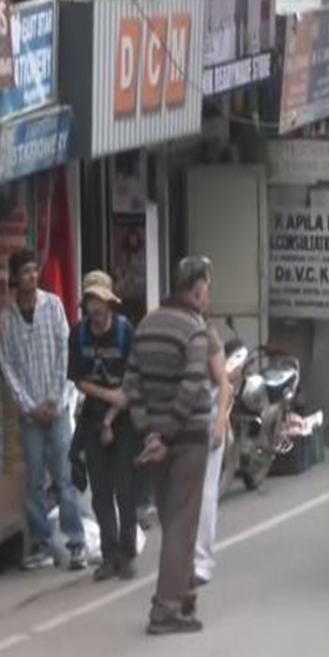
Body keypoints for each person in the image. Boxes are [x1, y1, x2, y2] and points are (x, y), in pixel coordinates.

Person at [126, 255, 217, 635]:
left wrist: (150, 431)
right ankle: (166, 610)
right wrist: (168, 434)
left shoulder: (145, 325)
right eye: (207, 288)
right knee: (182, 525)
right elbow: (194, 382)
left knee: (170, 519)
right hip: (187, 439)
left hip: (156, 440)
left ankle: (181, 599)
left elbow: (131, 384)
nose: (208, 296)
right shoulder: (194, 329)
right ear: (196, 290)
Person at [0, 248, 87, 572]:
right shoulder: (7, 318)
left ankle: (76, 545)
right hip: (30, 414)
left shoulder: (54, 306)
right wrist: (29, 405)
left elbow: (66, 353)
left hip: (58, 405)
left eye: (35, 271)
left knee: (64, 478)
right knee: (34, 481)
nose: (32, 277)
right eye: (25, 272)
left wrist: (53, 399)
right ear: (14, 278)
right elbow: (6, 366)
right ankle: (42, 545)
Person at [68, 271, 139, 581]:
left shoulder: (125, 333)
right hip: (94, 420)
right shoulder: (79, 335)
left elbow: (133, 382)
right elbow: (79, 380)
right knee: (100, 492)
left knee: (125, 489)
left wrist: (113, 416)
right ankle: (109, 556)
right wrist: (107, 398)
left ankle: (127, 553)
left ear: (109, 303)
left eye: (99, 301)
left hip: (125, 421)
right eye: (90, 302)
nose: (95, 309)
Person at [192, 311, 232, 593]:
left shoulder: (207, 333)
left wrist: (219, 423)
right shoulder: (176, 333)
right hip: (182, 420)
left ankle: (202, 562)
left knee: (205, 492)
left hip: (207, 418)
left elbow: (223, 382)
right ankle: (186, 559)